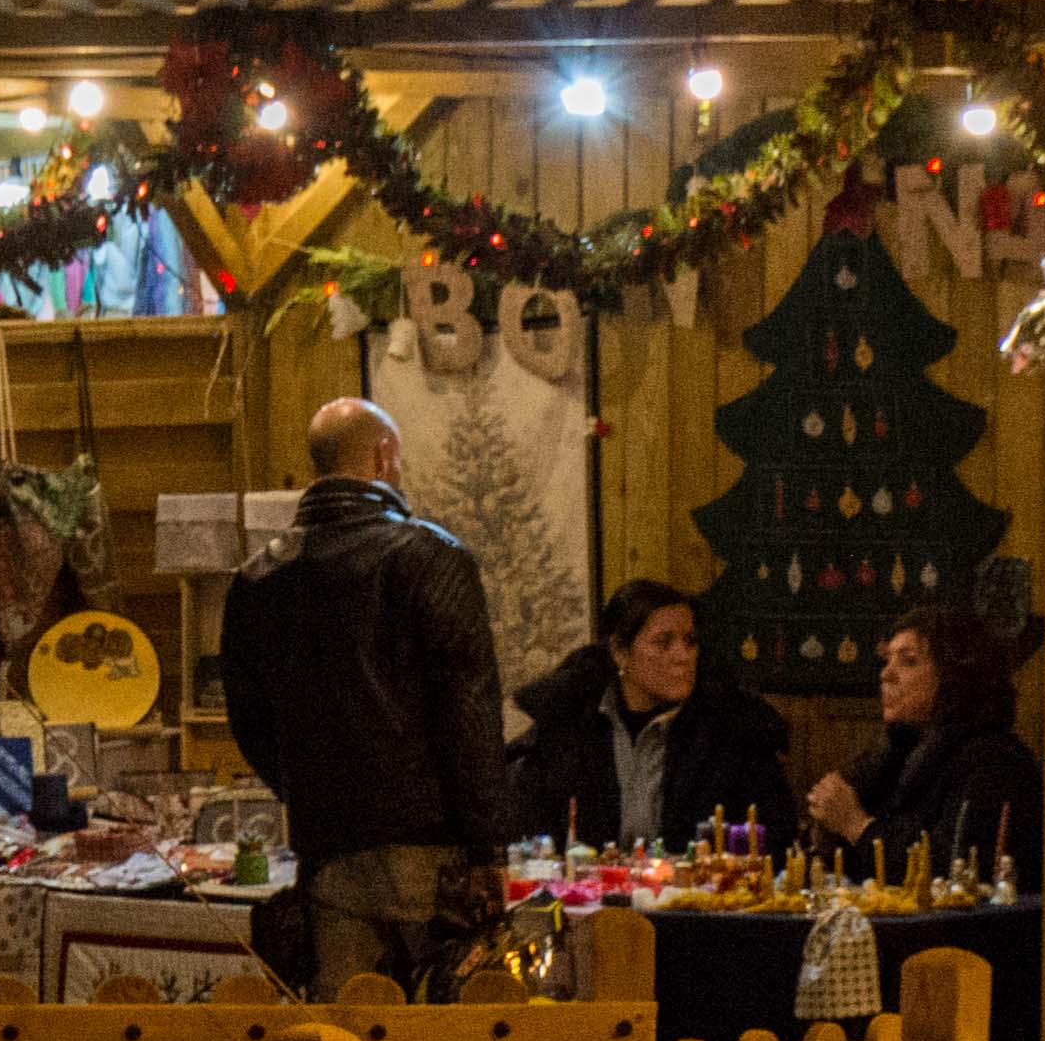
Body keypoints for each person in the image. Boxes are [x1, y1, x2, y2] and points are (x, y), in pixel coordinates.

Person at [222, 396, 511, 992]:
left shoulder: (259, 576)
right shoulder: (430, 556)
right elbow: (469, 713)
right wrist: (487, 849)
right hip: (429, 854)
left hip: (326, 854)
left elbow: (248, 719)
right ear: (383, 459)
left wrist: (309, 784)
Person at [508, 579, 794, 852]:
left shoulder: (732, 732)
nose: (683, 656)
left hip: (692, 897)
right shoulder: (569, 727)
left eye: (690, 641)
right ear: (620, 652)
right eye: (663, 642)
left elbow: (772, 835)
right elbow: (529, 834)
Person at [807, 608, 1041, 895]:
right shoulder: (897, 754)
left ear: (954, 676)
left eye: (908, 662)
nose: (886, 674)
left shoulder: (993, 762)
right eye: (886, 660)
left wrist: (857, 825)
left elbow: (951, 871)